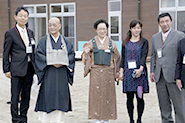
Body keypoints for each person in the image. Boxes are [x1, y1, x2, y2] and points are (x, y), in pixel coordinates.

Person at [34, 17, 75, 123]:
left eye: (54, 25)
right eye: (50, 25)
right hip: (49, 74)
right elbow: (38, 56)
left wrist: (61, 62)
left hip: (61, 74)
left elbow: (71, 55)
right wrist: (52, 62)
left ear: (59, 26)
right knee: (47, 96)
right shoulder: (43, 41)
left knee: (60, 98)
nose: (52, 27)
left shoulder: (66, 42)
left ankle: (59, 120)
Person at [82, 19, 120, 123]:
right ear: (96, 30)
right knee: (96, 94)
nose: (102, 31)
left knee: (108, 94)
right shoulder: (91, 42)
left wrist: (116, 71)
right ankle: (97, 118)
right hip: (96, 71)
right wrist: (85, 53)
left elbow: (117, 57)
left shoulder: (112, 42)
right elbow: (85, 56)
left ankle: (106, 118)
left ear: (107, 30)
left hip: (108, 71)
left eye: (104, 29)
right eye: (100, 29)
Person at [150, 13, 185, 123]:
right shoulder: (155, 37)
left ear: (171, 21)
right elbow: (153, 56)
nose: (164, 24)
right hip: (159, 76)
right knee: (164, 105)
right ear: (159, 24)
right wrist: (152, 71)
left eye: (166, 21)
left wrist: (180, 76)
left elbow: (181, 57)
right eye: (162, 22)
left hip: (174, 77)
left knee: (180, 106)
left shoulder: (179, 36)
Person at [3, 6, 35, 123]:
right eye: (21, 16)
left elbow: (33, 50)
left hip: (29, 69)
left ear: (27, 18)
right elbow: (6, 52)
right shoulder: (10, 33)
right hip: (16, 69)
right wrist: (6, 69)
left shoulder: (30, 32)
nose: (23, 18)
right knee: (15, 96)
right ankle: (16, 119)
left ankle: (23, 117)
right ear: (15, 17)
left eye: (25, 16)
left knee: (26, 96)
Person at [119, 20, 149, 123]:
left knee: (140, 97)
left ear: (141, 29)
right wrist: (121, 71)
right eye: (134, 28)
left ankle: (139, 119)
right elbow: (123, 58)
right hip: (128, 73)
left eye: (138, 28)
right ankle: (131, 120)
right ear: (130, 29)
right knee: (129, 98)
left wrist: (141, 68)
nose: (137, 30)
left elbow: (144, 55)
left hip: (140, 73)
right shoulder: (125, 42)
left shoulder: (144, 41)